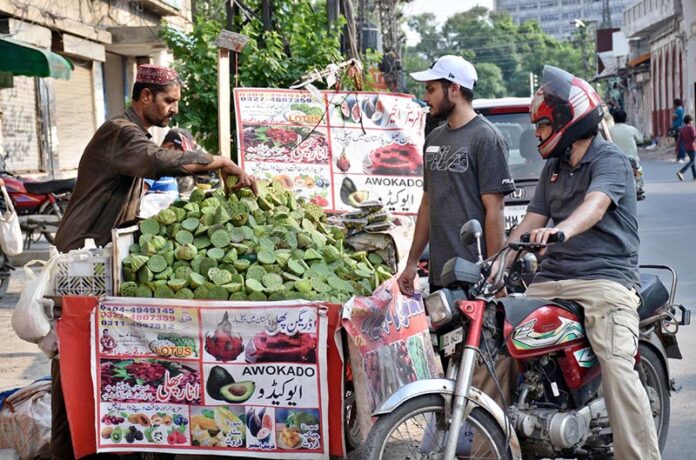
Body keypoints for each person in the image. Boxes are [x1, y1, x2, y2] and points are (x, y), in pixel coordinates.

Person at [51, 64, 256, 459]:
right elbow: (157, 162)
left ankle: (105, 442)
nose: (173, 109)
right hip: (81, 258)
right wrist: (222, 162)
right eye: (168, 101)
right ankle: (67, 449)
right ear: (145, 97)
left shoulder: (133, 133)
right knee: (73, 359)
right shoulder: (120, 132)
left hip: (98, 253)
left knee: (93, 356)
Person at [500, 65, 660, 459]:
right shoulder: (553, 169)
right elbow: (530, 221)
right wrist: (498, 261)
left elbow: (595, 205)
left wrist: (563, 231)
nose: (535, 133)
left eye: (541, 125)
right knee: (497, 344)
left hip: (605, 281)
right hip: (552, 278)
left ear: (566, 123)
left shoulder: (611, 160)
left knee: (618, 366)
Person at [397, 55, 517, 405]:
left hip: (475, 275)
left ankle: (488, 444)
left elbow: (494, 211)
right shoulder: (433, 138)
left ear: (455, 89)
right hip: (441, 277)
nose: (426, 96)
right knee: (449, 360)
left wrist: (495, 272)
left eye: (432, 89)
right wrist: (410, 263)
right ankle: (455, 439)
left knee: (483, 364)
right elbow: (428, 203)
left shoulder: (486, 138)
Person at [676, 114, 696, 181]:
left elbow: (679, 140)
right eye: (692, 121)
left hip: (687, 148)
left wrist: (677, 148)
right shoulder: (691, 128)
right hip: (692, 147)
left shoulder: (682, 129)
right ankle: (681, 172)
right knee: (692, 161)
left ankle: (695, 176)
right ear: (690, 121)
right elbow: (694, 137)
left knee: (692, 161)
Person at [672, 98, 685, 162]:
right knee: (678, 142)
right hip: (678, 127)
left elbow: (673, 118)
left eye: (674, 104)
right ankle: (679, 157)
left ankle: (681, 157)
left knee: (679, 143)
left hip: (678, 128)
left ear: (676, 104)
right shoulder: (681, 109)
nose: (673, 106)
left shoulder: (678, 110)